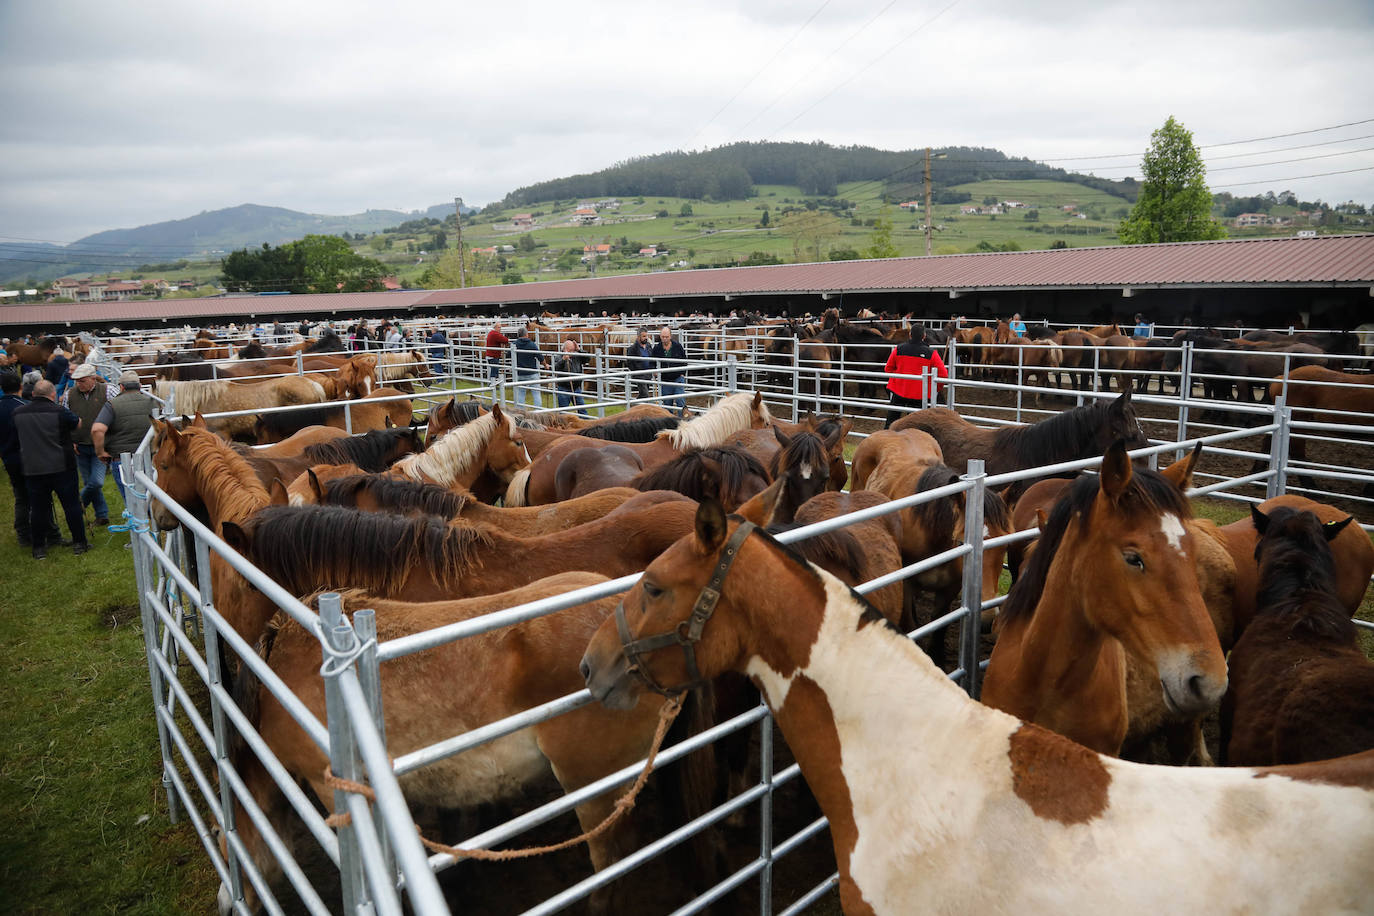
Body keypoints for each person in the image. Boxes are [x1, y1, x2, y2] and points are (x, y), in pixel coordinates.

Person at [13, 380, 88, 558]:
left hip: (33, 468)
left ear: (33, 394)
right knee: (71, 505)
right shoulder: (59, 411)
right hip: (61, 466)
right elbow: (78, 423)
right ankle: (79, 543)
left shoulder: (18, 413)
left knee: (38, 509)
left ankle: (39, 548)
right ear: (53, 394)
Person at [91, 370, 154, 512]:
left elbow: (97, 430)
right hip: (149, 458)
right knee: (151, 498)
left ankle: (141, 531)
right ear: (140, 386)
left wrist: (100, 452)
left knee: (132, 502)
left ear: (121, 387)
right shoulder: (153, 402)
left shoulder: (112, 404)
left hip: (122, 460)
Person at [62, 363, 111, 526]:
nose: (78, 384)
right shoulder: (70, 395)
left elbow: (117, 413)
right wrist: (70, 440)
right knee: (90, 481)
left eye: (82, 381)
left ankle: (78, 503)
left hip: (100, 445)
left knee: (96, 482)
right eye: (76, 381)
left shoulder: (108, 390)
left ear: (92, 378)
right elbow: (64, 418)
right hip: (79, 446)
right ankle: (102, 515)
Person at [883, 327, 948, 428]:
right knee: (915, 426)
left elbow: (888, 369)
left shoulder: (898, 349)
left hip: (899, 391)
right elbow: (943, 375)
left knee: (891, 422)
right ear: (924, 336)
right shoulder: (931, 353)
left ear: (910, 335)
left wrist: (899, 380)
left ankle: (886, 440)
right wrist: (934, 389)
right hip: (920, 395)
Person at [650, 326, 687, 411]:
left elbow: (684, 360)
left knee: (680, 401)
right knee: (667, 404)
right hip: (665, 380)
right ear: (660, 336)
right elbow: (651, 362)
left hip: (677, 379)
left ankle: (683, 422)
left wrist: (682, 374)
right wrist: (654, 372)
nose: (665, 339)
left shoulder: (677, 346)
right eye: (663, 337)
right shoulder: (657, 348)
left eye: (667, 337)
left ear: (670, 336)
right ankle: (670, 423)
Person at [553, 339, 589, 415]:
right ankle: (563, 426)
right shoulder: (559, 357)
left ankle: (585, 424)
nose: (572, 352)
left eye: (573, 350)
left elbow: (587, 359)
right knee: (564, 412)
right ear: (564, 349)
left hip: (576, 388)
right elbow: (556, 368)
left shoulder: (577, 355)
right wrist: (563, 360)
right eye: (570, 350)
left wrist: (579, 350)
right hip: (564, 388)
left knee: (582, 411)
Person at [513, 329, 545, 409]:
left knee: (521, 393)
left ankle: (520, 412)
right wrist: (546, 364)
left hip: (520, 373)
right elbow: (540, 357)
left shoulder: (514, 344)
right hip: (532, 373)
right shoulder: (532, 345)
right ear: (526, 334)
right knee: (536, 393)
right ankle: (538, 411)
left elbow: (508, 355)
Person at [627, 328, 655, 400]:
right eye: (644, 336)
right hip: (639, 374)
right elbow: (629, 362)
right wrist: (636, 371)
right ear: (638, 337)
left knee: (643, 394)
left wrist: (652, 368)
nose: (646, 338)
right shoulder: (632, 348)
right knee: (645, 393)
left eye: (646, 336)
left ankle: (635, 406)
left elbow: (652, 358)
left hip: (648, 373)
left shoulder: (648, 346)